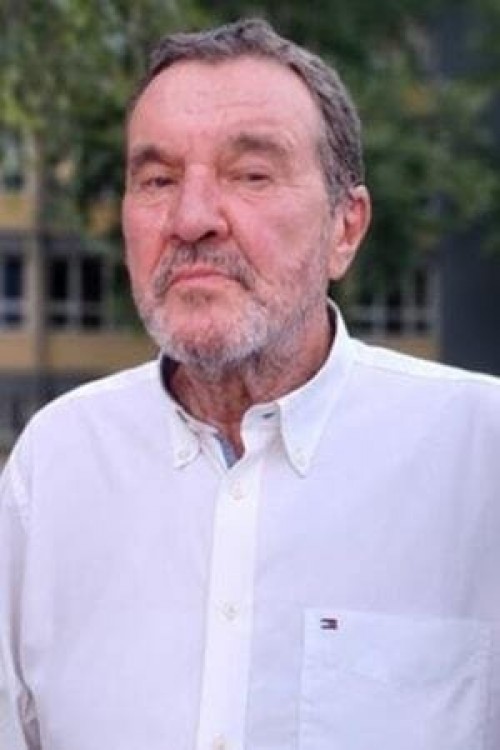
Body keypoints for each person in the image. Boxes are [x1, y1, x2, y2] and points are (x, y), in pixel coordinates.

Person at [1, 17, 499, 750]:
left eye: (251, 175)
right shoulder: (56, 465)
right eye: (157, 179)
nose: (191, 219)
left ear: (345, 228)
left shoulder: (479, 458)